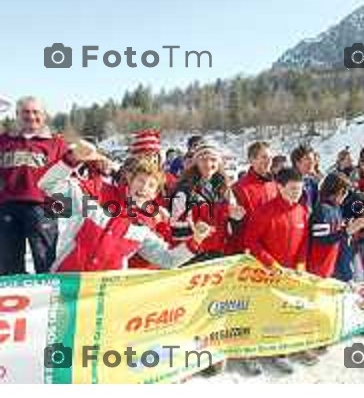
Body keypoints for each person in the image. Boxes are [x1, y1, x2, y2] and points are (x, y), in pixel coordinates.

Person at [38, 141, 212, 272]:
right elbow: (49, 184)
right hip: (66, 283)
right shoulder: (91, 206)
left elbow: (167, 260)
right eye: (140, 181)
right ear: (130, 182)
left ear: (154, 194)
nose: (144, 187)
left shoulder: (142, 230)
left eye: (151, 185)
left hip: (103, 297)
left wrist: (195, 241)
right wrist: (73, 158)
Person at [245, 167, 316, 372]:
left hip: (290, 274)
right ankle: (251, 353)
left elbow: (304, 241)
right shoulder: (264, 211)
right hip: (265, 273)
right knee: (259, 313)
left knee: (284, 312)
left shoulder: (302, 210)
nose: (297, 193)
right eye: (293, 188)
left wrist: (301, 264)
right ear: (279, 187)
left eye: (300, 189)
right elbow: (251, 241)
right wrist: (271, 264)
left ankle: (280, 351)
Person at [0, 96, 70, 274]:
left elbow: (70, 174)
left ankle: (47, 300)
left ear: (44, 116)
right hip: (7, 207)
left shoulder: (57, 143)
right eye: (25, 112)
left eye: (35, 112)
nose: (31, 116)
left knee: (44, 260)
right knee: (8, 262)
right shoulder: (4, 140)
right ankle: (14, 298)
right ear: (17, 115)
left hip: (43, 207)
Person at [171, 143, 245, 262]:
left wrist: (236, 219)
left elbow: (231, 228)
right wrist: (194, 230)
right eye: (203, 160)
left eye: (213, 160)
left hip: (220, 253)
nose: (208, 164)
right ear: (196, 163)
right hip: (195, 256)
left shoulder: (225, 189)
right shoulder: (184, 191)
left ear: (219, 163)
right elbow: (175, 228)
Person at [307, 172, 364, 279]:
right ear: (336, 190)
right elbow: (320, 240)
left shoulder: (336, 208)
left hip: (332, 266)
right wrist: (348, 230)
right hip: (319, 269)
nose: (345, 195)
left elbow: (336, 233)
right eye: (344, 192)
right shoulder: (322, 210)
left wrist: (348, 225)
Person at [232, 141, 278, 248]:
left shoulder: (275, 184)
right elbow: (237, 225)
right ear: (252, 160)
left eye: (270, 158)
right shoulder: (239, 188)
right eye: (264, 157)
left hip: (275, 244)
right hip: (252, 247)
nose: (268, 161)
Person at [290, 144, 318, 212]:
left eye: (312, 159)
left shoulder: (312, 182)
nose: (311, 162)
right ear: (297, 162)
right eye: (307, 159)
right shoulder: (288, 181)